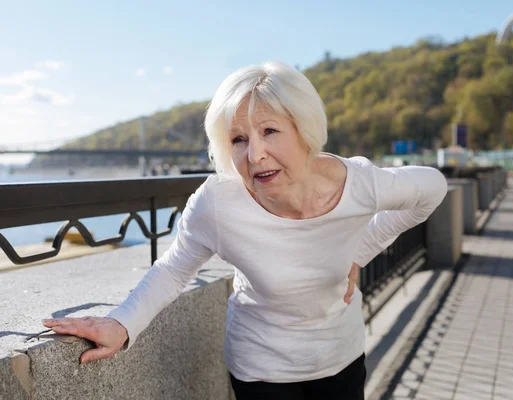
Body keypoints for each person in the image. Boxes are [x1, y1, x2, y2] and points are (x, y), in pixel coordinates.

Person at [42, 61, 448, 399]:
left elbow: (432, 188)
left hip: (341, 356)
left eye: (270, 131)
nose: (254, 155)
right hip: (261, 370)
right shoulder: (219, 203)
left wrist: (360, 252)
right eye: (238, 139)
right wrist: (122, 324)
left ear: (304, 130)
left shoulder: (357, 183)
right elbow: (173, 269)